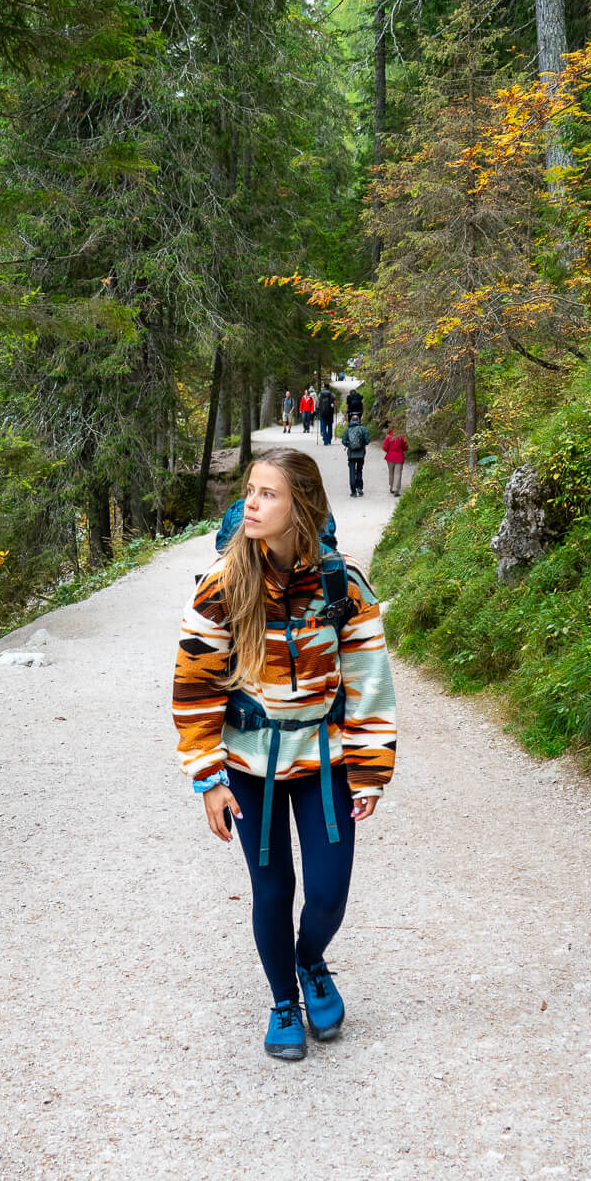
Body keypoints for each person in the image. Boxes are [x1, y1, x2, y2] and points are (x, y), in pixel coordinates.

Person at [172, 449, 397, 1060]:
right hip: (250, 767)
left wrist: (371, 769)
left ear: (301, 505)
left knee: (328, 894)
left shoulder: (341, 583)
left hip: (325, 764)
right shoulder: (222, 585)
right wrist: (207, 777)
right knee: (272, 890)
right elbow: (194, 686)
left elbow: (369, 679)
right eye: (250, 491)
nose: (251, 503)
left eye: (268, 494)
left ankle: (310, 961)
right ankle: (283, 1002)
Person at [344, 416, 369, 496]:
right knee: (359, 470)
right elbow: (367, 440)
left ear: (351, 420)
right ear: (359, 420)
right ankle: (359, 488)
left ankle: (353, 491)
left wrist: (349, 445)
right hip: (361, 454)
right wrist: (362, 445)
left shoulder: (347, 429)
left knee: (351, 471)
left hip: (351, 454)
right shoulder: (363, 429)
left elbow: (343, 441)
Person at [382, 426, 407, 496]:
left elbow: (384, 448)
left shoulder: (388, 436)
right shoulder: (401, 436)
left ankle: (391, 487)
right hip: (399, 457)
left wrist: (389, 451)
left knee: (391, 472)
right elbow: (405, 446)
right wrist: (402, 450)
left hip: (390, 457)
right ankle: (396, 490)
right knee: (397, 473)